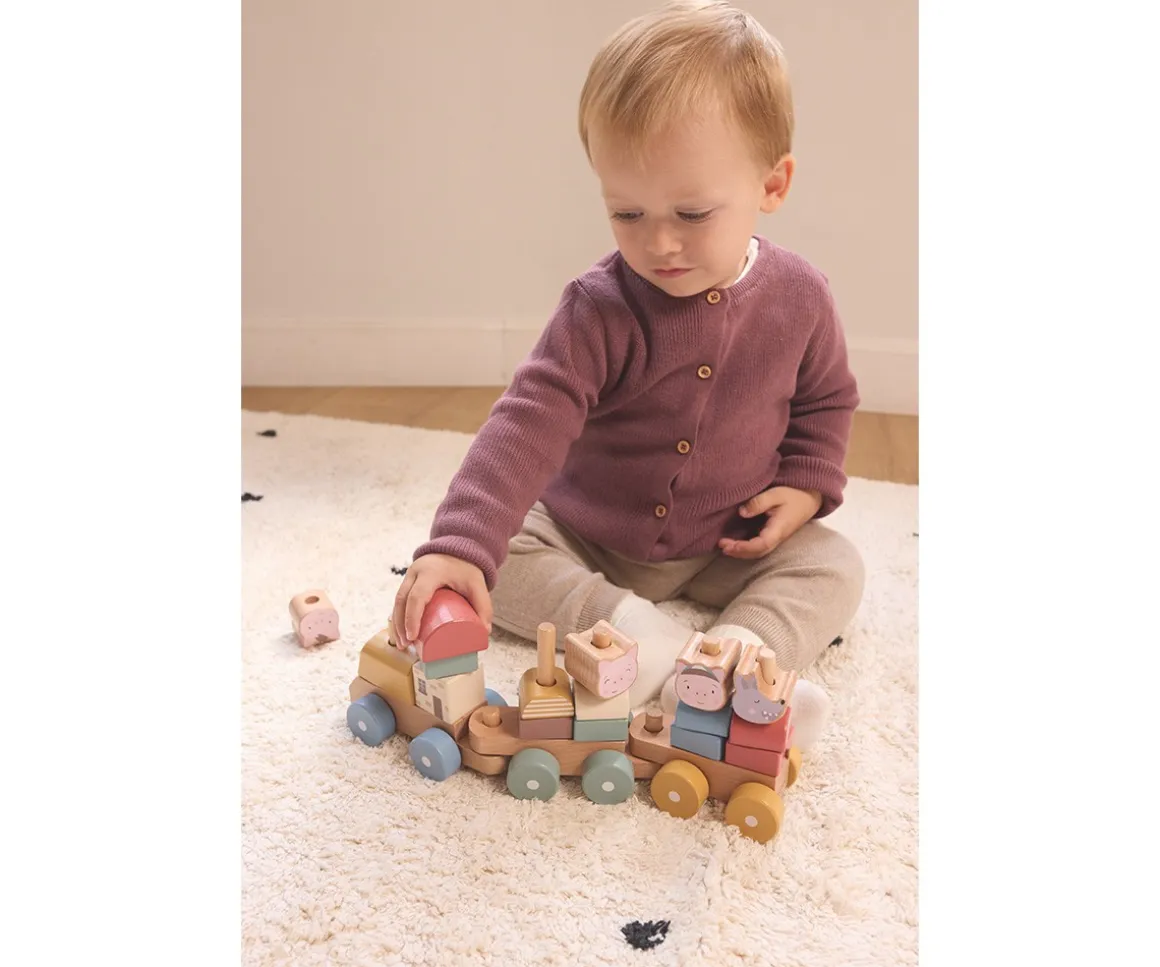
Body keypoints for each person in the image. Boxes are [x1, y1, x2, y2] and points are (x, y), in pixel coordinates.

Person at [393, 0, 865, 750]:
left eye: (692, 213)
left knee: (834, 564)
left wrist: (807, 484)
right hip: (589, 533)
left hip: (726, 539)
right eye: (628, 214)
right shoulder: (598, 308)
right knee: (494, 559)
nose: (660, 244)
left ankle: (740, 656)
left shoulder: (801, 297)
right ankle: (640, 639)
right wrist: (459, 543)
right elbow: (528, 417)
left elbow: (826, 400)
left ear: (772, 186)